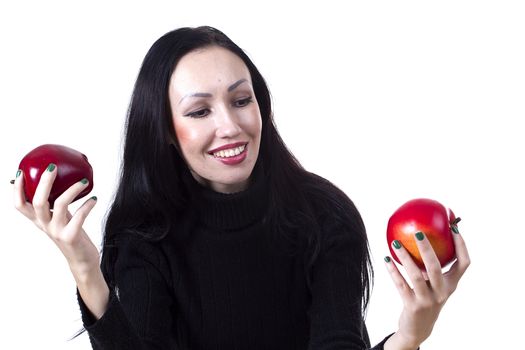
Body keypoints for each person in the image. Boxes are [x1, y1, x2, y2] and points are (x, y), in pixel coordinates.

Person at [13, 26, 470, 349]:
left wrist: (410, 336)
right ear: (167, 131)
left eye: (240, 100)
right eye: (199, 112)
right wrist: (87, 269)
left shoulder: (325, 216)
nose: (230, 126)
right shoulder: (144, 233)